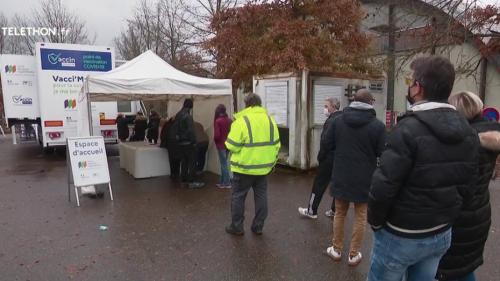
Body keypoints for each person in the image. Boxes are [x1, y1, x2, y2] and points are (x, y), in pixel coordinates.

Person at [367, 56, 479, 281]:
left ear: (418, 87)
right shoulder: (468, 131)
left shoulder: (406, 129)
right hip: (441, 232)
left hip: (401, 234)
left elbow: (384, 186)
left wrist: (376, 222)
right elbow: (469, 185)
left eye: (410, 81)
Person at [436, 91, 500, 281]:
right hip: (479, 214)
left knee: (448, 268)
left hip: (458, 218)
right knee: (465, 267)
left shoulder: (462, 142)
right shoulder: (490, 136)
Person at [324, 90, 385, 266]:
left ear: (353, 101)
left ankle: (336, 249)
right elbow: (383, 152)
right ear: (370, 103)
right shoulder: (377, 126)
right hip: (365, 177)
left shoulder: (338, 121)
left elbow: (328, 144)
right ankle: (353, 254)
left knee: (340, 212)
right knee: (361, 215)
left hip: (341, 173)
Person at [225, 93, 280, 236]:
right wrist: (271, 163)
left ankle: (237, 227)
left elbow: (231, 146)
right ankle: (258, 226)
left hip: (243, 168)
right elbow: (276, 145)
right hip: (263, 169)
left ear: (247, 104)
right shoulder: (270, 120)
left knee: (238, 197)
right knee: (261, 197)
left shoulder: (241, 121)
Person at [298, 98, 342, 219]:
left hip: (328, 159)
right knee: (337, 184)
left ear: (333, 107)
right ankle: (334, 210)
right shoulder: (343, 119)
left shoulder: (331, 121)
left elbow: (325, 142)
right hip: (340, 159)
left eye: (326, 106)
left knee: (319, 184)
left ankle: (312, 210)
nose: (325, 109)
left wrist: (320, 157)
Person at [174, 99, 204, 189]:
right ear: (191, 106)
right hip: (188, 143)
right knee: (192, 162)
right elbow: (191, 131)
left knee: (184, 162)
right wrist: (194, 141)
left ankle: (183, 179)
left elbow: (175, 128)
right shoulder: (188, 116)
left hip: (180, 142)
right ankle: (192, 181)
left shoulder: (178, 115)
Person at [214, 104, 232, 188]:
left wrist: (215, 140)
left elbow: (217, 135)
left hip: (221, 145)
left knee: (223, 164)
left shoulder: (218, 121)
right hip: (228, 144)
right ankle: (222, 181)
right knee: (224, 164)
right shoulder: (229, 120)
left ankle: (226, 183)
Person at [160, 116, 181, 180]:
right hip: (177, 144)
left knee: (171, 159)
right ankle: (177, 173)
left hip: (170, 144)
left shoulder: (167, 125)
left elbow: (162, 135)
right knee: (177, 159)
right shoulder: (179, 125)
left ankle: (173, 173)